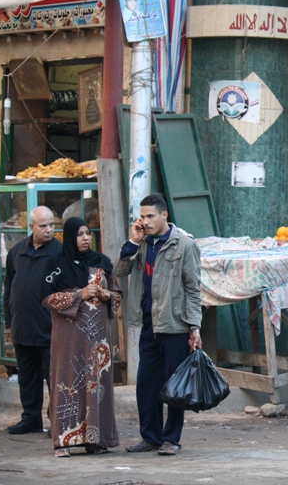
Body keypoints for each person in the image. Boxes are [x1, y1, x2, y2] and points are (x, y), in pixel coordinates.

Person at [115, 194, 202, 456]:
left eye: (151, 216)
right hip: (148, 324)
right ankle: (150, 436)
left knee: (173, 386)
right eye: (142, 216)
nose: (146, 221)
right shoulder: (142, 244)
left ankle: (171, 439)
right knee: (146, 384)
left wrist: (194, 328)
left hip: (175, 326)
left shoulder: (184, 245)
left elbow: (193, 289)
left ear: (165, 215)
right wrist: (133, 241)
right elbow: (119, 272)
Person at [42, 218, 121, 457]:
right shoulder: (56, 265)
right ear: (68, 238)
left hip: (98, 340)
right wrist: (80, 294)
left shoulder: (101, 262)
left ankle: (96, 440)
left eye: (87, 233)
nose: (86, 238)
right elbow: (47, 298)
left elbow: (117, 296)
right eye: (79, 234)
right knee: (68, 381)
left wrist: (107, 294)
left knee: (97, 383)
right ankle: (63, 441)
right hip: (69, 339)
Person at [2, 206, 62, 435]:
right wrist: (10, 319)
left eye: (52, 225)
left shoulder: (59, 252)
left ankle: (57, 420)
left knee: (54, 378)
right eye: (43, 226)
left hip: (49, 329)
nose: (49, 230)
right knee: (27, 377)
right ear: (31, 227)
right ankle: (30, 418)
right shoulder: (17, 252)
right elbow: (9, 287)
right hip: (23, 327)